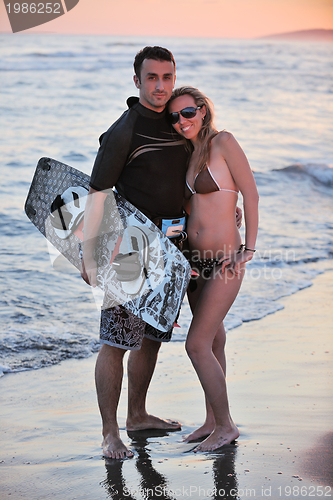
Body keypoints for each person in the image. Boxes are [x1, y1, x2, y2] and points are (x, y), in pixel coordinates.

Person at [81, 46, 189, 459]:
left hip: (171, 247)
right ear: (137, 81)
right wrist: (90, 256)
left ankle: (138, 415)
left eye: (167, 77)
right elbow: (97, 195)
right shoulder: (124, 131)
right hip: (127, 249)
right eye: (152, 78)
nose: (160, 86)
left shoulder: (179, 122)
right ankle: (110, 433)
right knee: (116, 341)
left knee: (151, 339)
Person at [168, 86, 259, 452]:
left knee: (197, 344)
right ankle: (211, 420)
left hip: (225, 261)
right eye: (173, 117)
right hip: (194, 265)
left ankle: (226, 426)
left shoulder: (224, 142)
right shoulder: (189, 155)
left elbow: (249, 193)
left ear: (203, 110)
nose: (181, 122)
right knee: (215, 340)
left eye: (187, 113)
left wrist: (248, 247)